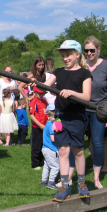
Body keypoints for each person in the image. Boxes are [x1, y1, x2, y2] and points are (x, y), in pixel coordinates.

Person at [42, 40, 92, 202]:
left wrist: (71, 93)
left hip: (77, 118)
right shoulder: (58, 72)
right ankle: (65, 186)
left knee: (78, 150)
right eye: (63, 55)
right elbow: (46, 86)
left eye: (68, 55)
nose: (65, 58)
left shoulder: (85, 73)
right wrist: (36, 83)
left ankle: (82, 184)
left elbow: (86, 96)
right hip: (59, 117)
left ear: (78, 55)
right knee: (63, 151)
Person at [84, 36, 107, 189]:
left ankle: (97, 177)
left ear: (98, 50)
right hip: (82, 110)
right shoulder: (81, 66)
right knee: (76, 143)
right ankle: (70, 176)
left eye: (92, 50)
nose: (89, 53)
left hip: (99, 111)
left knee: (98, 143)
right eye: (87, 50)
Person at [0, 67, 16, 144]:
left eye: (10, 71)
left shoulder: (13, 81)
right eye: (7, 71)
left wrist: (15, 88)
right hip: (2, 104)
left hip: (11, 104)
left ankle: (9, 139)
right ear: (4, 71)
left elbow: (18, 90)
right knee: (0, 121)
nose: (9, 72)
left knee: (10, 121)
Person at [40, 109, 60, 190]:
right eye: (53, 116)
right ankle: (51, 182)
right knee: (55, 166)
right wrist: (60, 138)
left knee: (47, 165)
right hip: (51, 149)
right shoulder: (51, 126)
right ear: (48, 117)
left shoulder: (47, 125)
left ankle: (44, 181)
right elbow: (53, 139)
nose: (55, 118)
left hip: (45, 148)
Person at [29, 86, 47, 170]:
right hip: (37, 127)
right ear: (35, 93)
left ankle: (42, 162)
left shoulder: (44, 101)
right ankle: (35, 164)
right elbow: (32, 115)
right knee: (36, 146)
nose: (41, 95)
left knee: (44, 145)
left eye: (42, 93)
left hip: (45, 126)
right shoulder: (34, 101)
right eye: (40, 93)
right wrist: (40, 125)